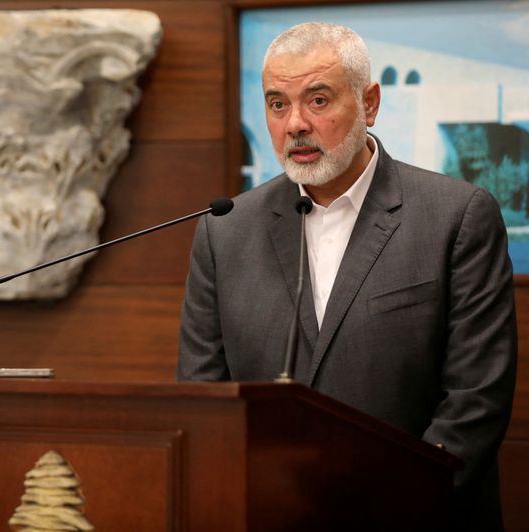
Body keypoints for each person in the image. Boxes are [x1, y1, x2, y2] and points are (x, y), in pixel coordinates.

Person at [178, 22, 517, 530]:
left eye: (318, 100)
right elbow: (203, 399)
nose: (294, 124)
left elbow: (475, 400)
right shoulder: (225, 231)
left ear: (370, 103)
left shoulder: (457, 216)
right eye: (277, 104)